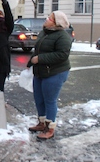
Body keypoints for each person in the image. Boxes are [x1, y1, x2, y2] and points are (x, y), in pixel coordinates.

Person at [27, 11, 72, 140]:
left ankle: (49, 127)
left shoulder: (63, 37)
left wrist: (40, 59)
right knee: (39, 98)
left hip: (55, 73)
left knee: (50, 100)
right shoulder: (44, 33)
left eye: (50, 18)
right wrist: (30, 62)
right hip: (40, 72)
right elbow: (37, 50)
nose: (46, 19)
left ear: (57, 23)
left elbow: (62, 55)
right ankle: (41, 123)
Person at [0, 0, 14, 92]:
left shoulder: (6, 28)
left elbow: (9, 17)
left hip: (2, 60)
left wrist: (4, 1)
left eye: (0, 13)